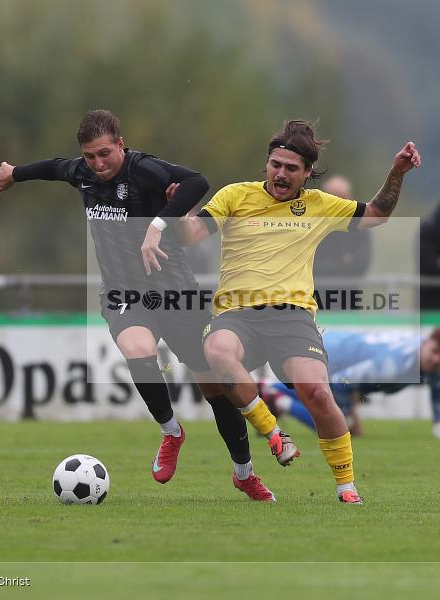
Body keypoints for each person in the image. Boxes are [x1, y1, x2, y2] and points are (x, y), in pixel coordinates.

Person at [0, 109, 275, 501]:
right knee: (138, 351)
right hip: (123, 293)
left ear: (121, 145)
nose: (98, 164)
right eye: (90, 156)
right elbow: (54, 168)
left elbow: (198, 181)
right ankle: (172, 432)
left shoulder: (144, 170)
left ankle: (244, 473)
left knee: (215, 388)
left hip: (175, 293)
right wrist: (14, 172)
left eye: (105, 153)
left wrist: (157, 226)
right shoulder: (82, 173)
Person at [174, 119, 421, 504]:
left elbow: (378, 214)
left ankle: (347, 486)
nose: (281, 173)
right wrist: (176, 212)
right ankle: (274, 433)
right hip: (236, 315)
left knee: (319, 394)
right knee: (218, 353)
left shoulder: (320, 206)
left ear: (307, 174)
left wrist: (396, 173)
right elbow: (191, 235)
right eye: (276, 164)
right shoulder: (235, 196)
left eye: (291, 168)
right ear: (267, 164)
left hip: (292, 319)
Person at [260, 327, 440, 440]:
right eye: (435, 352)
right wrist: (351, 416)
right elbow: (341, 382)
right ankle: (275, 396)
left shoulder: (425, 359)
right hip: (329, 352)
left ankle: (271, 393)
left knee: (341, 421)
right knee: (337, 425)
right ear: (426, 343)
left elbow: (438, 389)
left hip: (336, 350)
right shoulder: (393, 365)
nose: (437, 360)